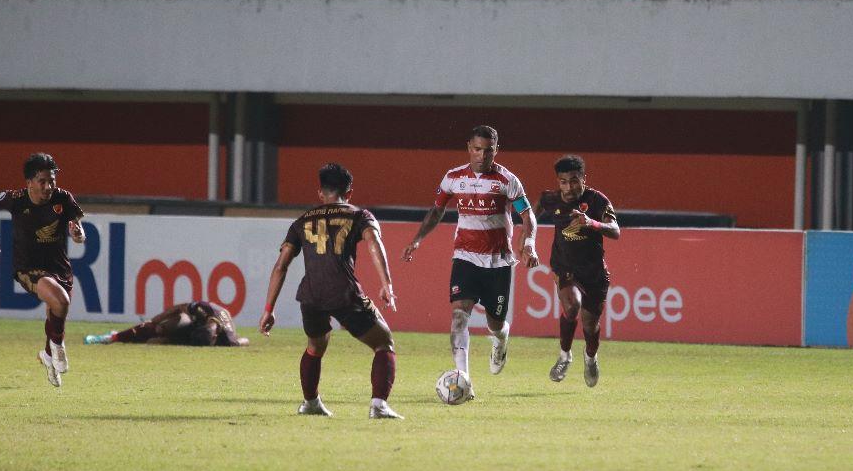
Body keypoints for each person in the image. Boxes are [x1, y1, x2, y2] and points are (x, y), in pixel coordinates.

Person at [401, 125, 538, 391]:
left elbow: (526, 214)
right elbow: (436, 210)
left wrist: (529, 244)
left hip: (498, 261)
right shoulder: (453, 177)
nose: (481, 155)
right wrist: (417, 238)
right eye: (477, 149)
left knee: (494, 323)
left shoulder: (507, 180)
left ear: (496, 151)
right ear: (469, 148)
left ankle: (501, 339)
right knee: (459, 315)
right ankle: (462, 377)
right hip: (465, 257)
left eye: (488, 151)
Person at [259, 163, 401, 420]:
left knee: (316, 344)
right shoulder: (359, 215)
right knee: (383, 343)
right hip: (344, 292)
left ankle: (310, 402)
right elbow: (374, 243)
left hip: (311, 296)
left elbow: (281, 266)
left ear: (320, 192)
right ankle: (378, 405)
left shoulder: (302, 221)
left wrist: (268, 309)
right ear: (349, 191)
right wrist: (386, 283)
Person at [0, 152, 86, 388]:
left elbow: (78, 231)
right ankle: (58, 348)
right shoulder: (15, 199)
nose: (49, 186)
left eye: (52, 180)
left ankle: (48, 356)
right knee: (61, 301)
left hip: (59, 269)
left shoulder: (63, 199)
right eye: (43, 181)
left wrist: (78, 234)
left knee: (55, 313)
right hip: (28, 268)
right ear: (29, 182)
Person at [535, 155, 620, 388]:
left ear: (584, 179)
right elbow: (533, 215)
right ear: (558, 182)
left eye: (574, 181)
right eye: (563, 182)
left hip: (594, 273)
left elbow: (615, 230)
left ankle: (590, 358)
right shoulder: (550, 199)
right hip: (565, 267)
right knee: (571, 306)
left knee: (590, 326)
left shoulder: (597, 201)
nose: (569, 187)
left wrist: (591, 223)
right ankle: (565, 356)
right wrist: (526, 239)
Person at [83, 301, 249, 347]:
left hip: (200, 333)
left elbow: (244, 340)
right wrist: (155, 321)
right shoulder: (203, 309)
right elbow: (177, 309)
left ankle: (156, 338)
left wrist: (240, 340)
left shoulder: (228, 338)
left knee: (158, 341)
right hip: (191, 323)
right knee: (161, 328)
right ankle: (113, 337)